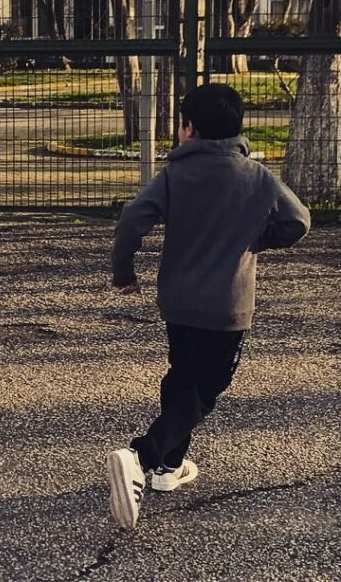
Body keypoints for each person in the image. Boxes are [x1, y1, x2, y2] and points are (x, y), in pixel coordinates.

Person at [105, 82, 310, 530]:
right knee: (206, 391)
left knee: (183, 377)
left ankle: (168, 467)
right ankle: (142, 455)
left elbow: (131, 220)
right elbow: (298, 221)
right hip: (228, 307)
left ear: (189, 130)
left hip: (178, 302)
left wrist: (123, 272)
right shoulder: (257, 177)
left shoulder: (173, 176)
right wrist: (259, 239)